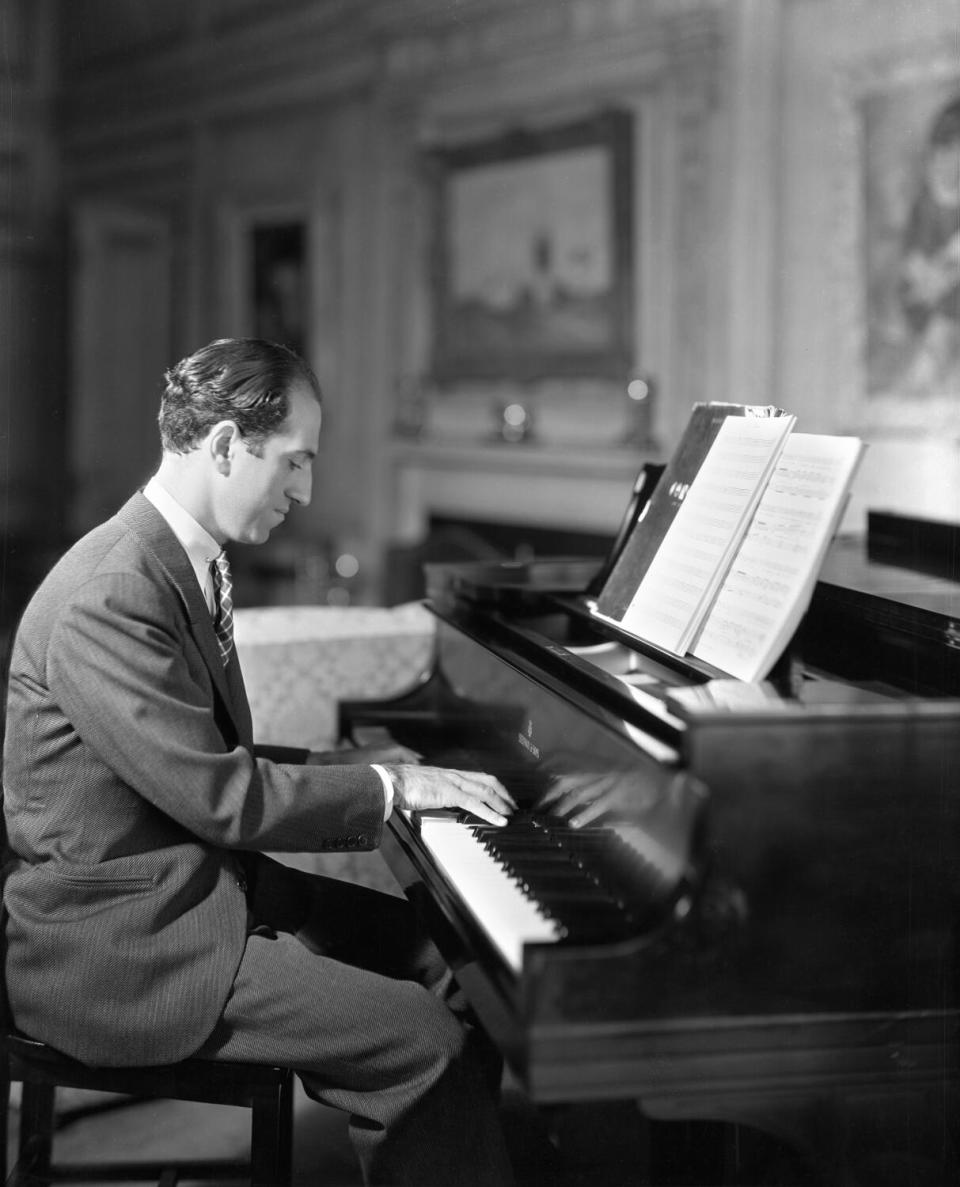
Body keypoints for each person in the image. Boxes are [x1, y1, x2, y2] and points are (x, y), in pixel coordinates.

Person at [1, 338, 518, 1186]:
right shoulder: (112, 590)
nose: (307, 490)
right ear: (226, 445)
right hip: (122, 948)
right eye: (296, 461)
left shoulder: (169, 557)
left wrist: (361, 763)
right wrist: (389, 788)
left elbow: (199, 754)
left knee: (456, 953)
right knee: (421, 1039)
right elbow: (220, 795)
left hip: (186, 887)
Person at [897, 93, 960, 394]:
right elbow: (914, 260)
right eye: (945, 151)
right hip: (934, 303)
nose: (950, 162)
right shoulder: (925, 205)